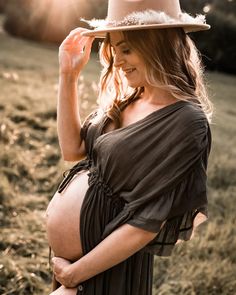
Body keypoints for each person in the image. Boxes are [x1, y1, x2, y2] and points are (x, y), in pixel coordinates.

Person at [45, 0, 213, 294]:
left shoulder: (187, 122)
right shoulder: (133, 97)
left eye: (127, 49)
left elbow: (145, 224)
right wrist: (67, 76)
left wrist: (75, 274)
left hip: (106, 269)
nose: (117, 61)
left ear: (158, 46)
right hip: (80, 267)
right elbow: (72, 150)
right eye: (114, 49)